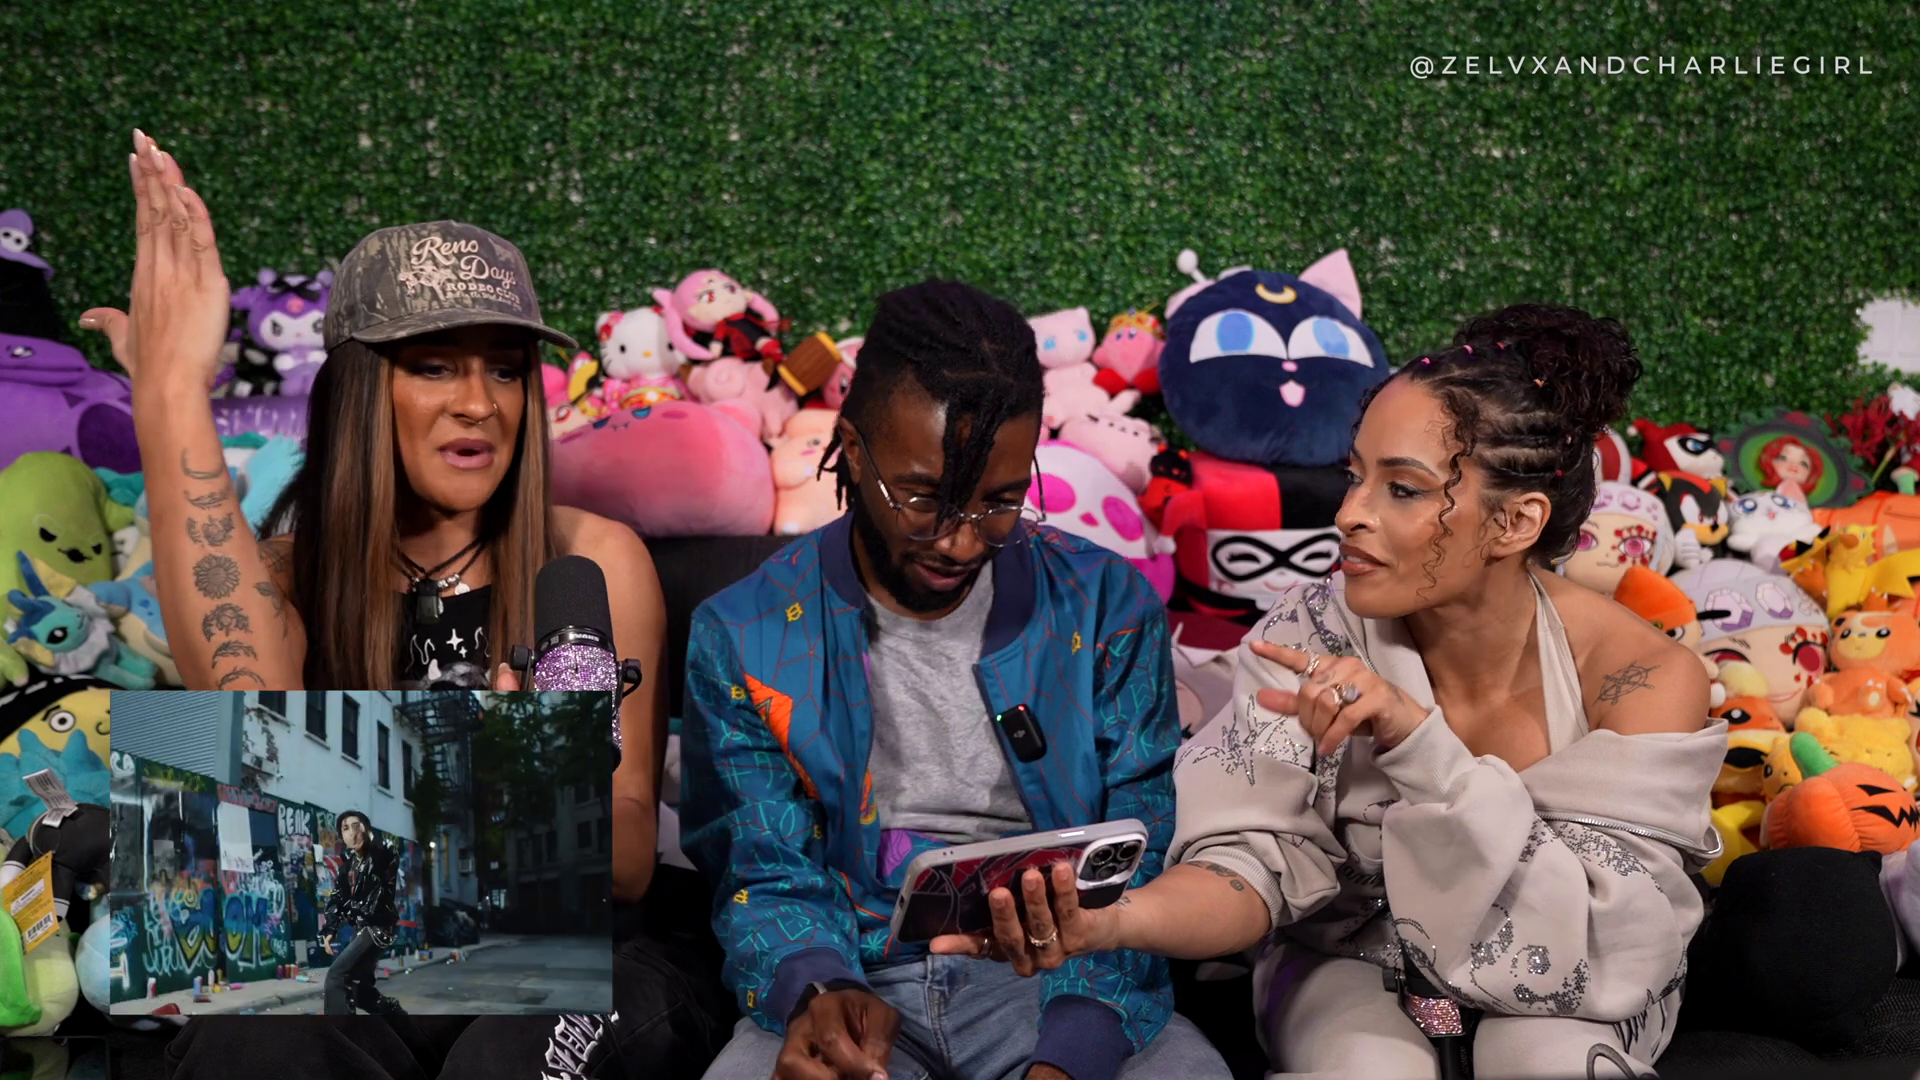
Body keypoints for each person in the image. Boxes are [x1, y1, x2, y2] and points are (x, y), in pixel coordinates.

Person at [935, 305, 1726, 1079]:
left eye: (1402, 489)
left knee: (1544, 1061)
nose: (1348, 514)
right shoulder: (1308, 631)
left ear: (1516, 522)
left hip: (1578, 976)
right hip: (1358, 951)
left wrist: (1420, 748)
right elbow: (1248, 866)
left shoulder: (1642, 675)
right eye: (1354, 476)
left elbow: (1603, 943)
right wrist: (1110, 921)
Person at [89, 130, 672, 1079]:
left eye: (505, 368)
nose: (481, 402)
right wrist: (169, 393)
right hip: (375, 955)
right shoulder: (289, 573)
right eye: (435, 366)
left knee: (502, 1064)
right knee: (246, 1044)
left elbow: (631, 848)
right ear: (361, 390)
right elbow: (243, 723)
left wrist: (531, 790)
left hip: (580, 956)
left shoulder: (590, 558)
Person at [678, 280, 1231, 1080]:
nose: (962, 543)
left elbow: (1137, 852)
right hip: (853, 974)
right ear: (852, 449)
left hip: (1062, 982)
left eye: (998, 503)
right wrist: (817, 992)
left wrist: (1073, 1051)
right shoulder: (744, 633)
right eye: (925, 499)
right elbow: (761, 869)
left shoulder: (1108, 607)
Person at [319, 811, 403, 1016]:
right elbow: (337, 900)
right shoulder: (347, 868)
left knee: (336, 976)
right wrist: (330, 929)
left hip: (378, 929)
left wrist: (371, 839)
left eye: (357, 826)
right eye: (346, 829)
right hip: (363, 930)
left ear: (366, 830)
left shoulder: (381, 857)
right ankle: (394, 1015)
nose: (352, 833)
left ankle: (341, 1033)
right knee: (359, 990)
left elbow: (385, 856)